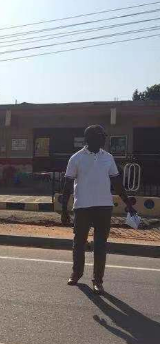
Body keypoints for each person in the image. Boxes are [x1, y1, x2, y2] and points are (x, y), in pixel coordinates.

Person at [61, 125, 137, 295]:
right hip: (82, 207)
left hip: (104, 207)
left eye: (104, 136)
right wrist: (64, 210)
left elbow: (117, 182)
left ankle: (98, 281)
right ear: (90, 139)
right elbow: (67, 185)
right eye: (101, 136)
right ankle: (76, 273)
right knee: (79, 242)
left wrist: (128, 204)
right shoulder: (76, 158)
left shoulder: (108, 158)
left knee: (100, 245)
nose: (104, 139)